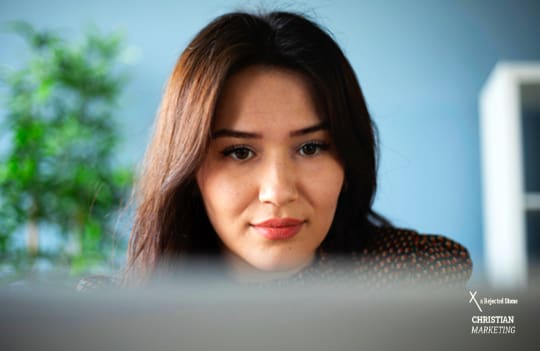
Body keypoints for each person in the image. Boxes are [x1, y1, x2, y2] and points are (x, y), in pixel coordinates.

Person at [78, 10, 472, 291]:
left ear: (348, 159)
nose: (278, 191)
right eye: (239, 152)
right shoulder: (112, 317)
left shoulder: (413, 272)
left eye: (311, 147)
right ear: (190, 168)